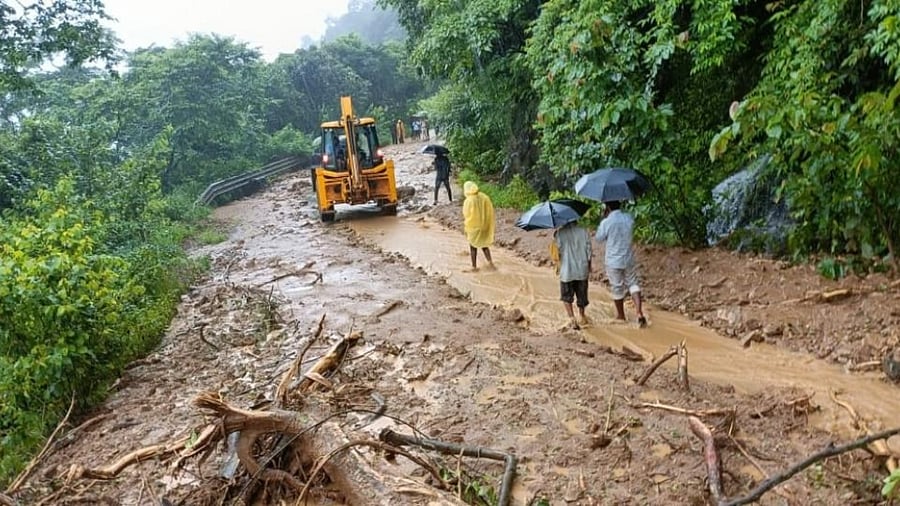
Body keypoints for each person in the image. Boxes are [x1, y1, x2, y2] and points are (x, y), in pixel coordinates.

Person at [595, 201, 647, 327]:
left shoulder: (606, 222)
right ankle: (639, 312)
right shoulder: (628, 217)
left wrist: (604, 218)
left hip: (613, 260)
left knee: (617, 286)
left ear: (607, 207)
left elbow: (599, 238)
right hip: (628, 257)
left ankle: (621, 316)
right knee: (633, 283)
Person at [554, 221, 593, 330]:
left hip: (567, 271)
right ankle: (582, 316)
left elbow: (557, 253)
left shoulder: (559, 233)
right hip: (582, 269)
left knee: (566, 296)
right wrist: (589, 266)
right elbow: (589, 251)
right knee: (582, 296)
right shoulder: (584, 231)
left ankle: (572, 319)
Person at [462, 181, 495, 271]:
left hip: (474, 227)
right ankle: (490, 262)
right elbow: (490, 209)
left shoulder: (469, 200)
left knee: (473, 246)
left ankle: (474, 266)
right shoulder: (484, 196)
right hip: (484, 226)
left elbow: (466, 214)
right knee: (484, 245)